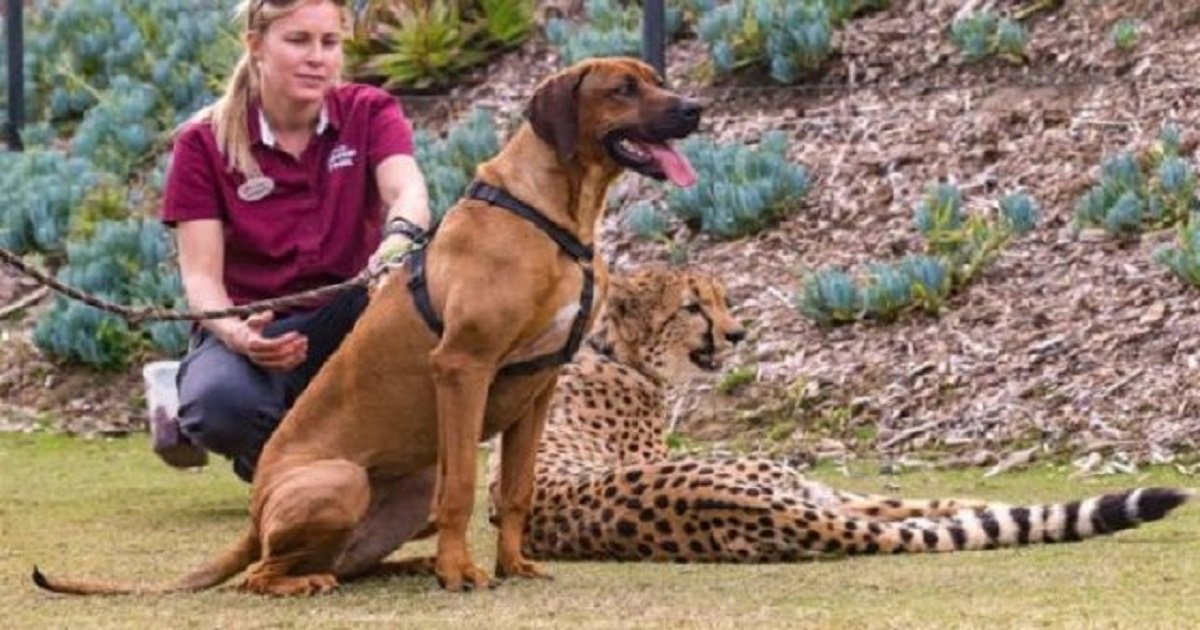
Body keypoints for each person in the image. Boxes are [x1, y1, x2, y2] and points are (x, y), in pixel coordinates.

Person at [160, 0, 431, 482]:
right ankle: (282, 459)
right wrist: (238, 335)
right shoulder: (202, 143)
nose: (317, 57)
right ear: (256, 45)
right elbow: (201, 278)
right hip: (255, 326)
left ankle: (339, 464)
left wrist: (397, 241)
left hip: (353, 309)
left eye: (329, 43)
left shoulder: (369, 111)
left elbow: (407, 190)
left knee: (426, 300)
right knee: (218, 407)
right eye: (298, 40)